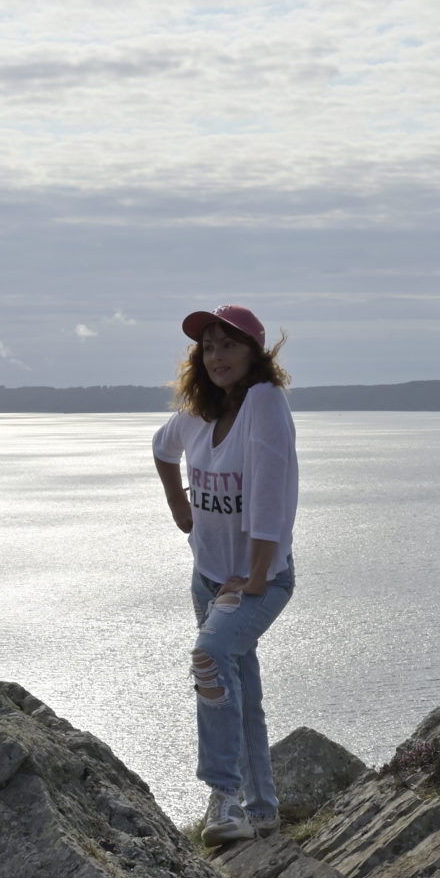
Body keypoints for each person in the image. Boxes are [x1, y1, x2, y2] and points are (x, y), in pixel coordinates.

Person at [151, 304, 297, 847]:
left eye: (228, 345)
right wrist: (179, 510)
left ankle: (224, 796)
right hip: (208, 578)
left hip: (259, 579)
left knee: (209, 660)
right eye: (208, 347)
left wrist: (257, 575)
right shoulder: (197, 415)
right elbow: (160, 449)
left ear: (255, 352)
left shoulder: (265, 402)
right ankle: (262, 810)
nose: (216, 356)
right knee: (240, 691)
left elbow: (271, 494)